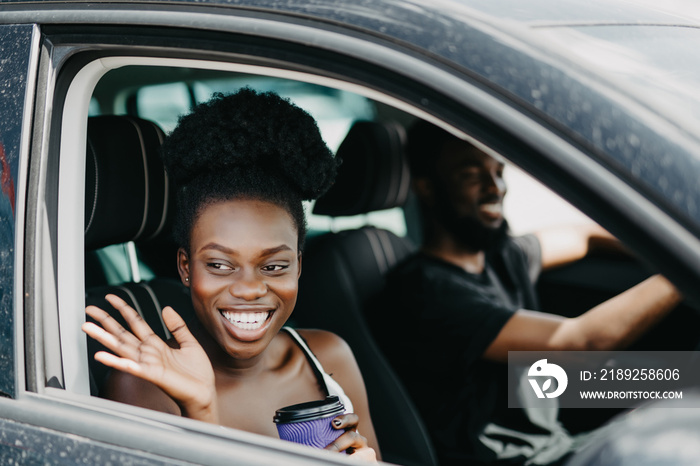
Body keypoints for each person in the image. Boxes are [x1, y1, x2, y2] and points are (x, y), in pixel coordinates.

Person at [82, 89, 379, 461]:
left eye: (274, 266)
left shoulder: (329, 359)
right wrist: (201, 411)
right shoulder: (143, 387)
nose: (250, 289)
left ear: (299, 267)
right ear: (185, 268)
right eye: (220, 265)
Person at [369, 120, 682, 466]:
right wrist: (681, 269)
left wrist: (664, 241)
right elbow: (579, 344)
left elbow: (583, 237)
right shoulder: (424, 291)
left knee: (684, 392)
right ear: (427, 188)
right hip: (518, 461)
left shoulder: (503, 255)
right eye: (472, 176)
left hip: (555, 439)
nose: (495, 188)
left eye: (498, 172)